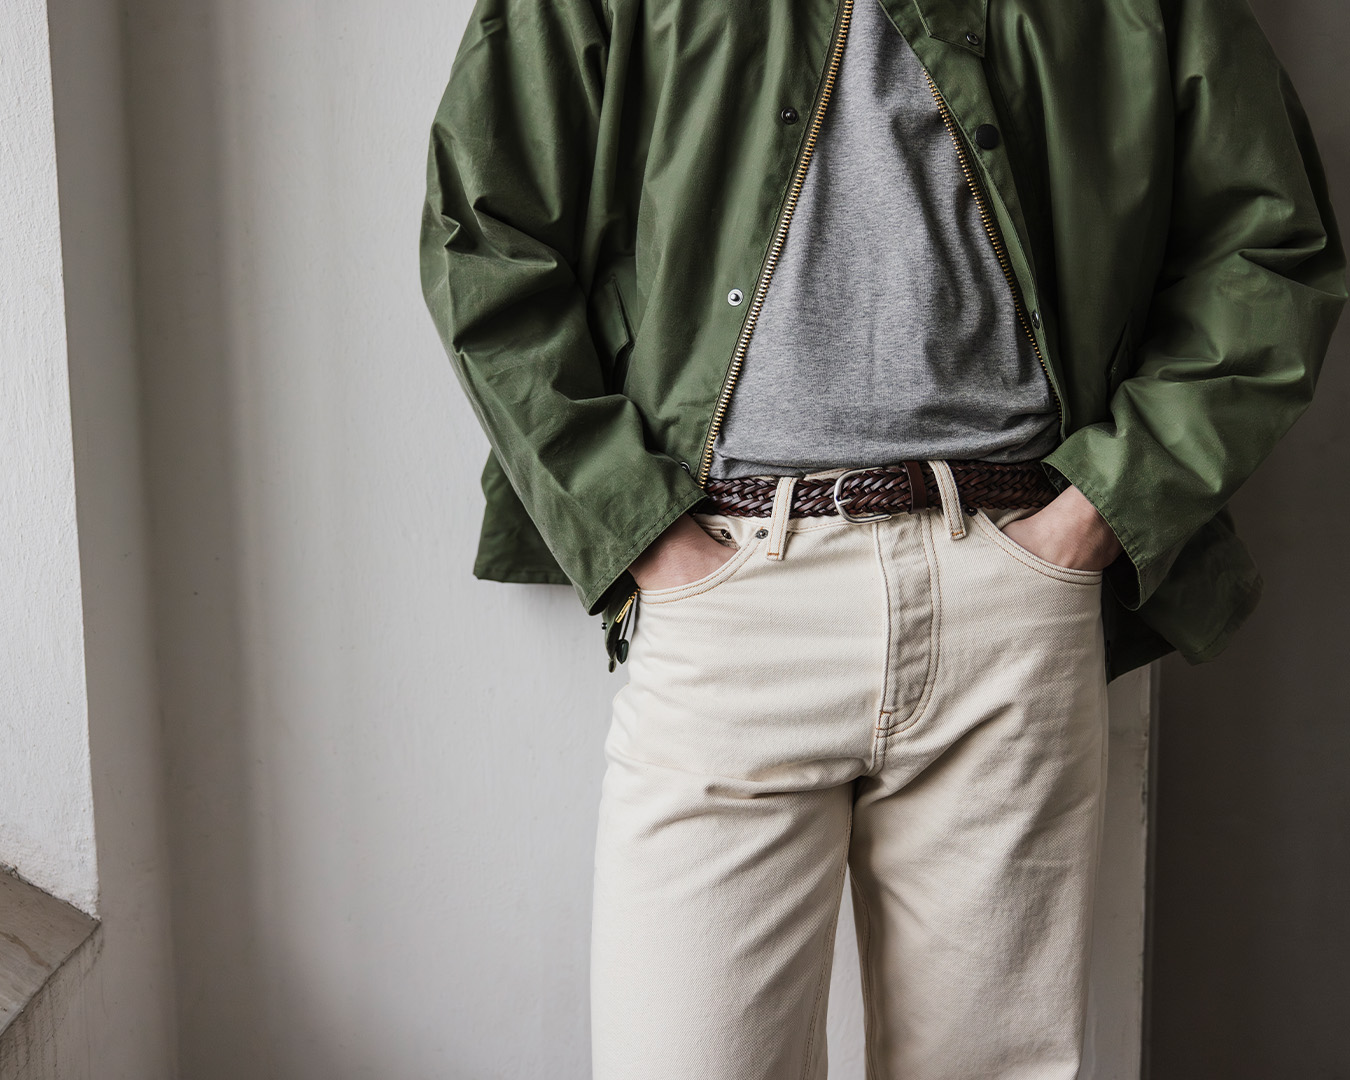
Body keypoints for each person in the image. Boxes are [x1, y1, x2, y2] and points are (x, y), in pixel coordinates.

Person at [419, 0, 1346, 1075]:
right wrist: (642, 536)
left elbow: (1267, 245)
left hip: (1011, 589)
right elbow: (484, 234)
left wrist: (1093, 516)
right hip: (728, 591)